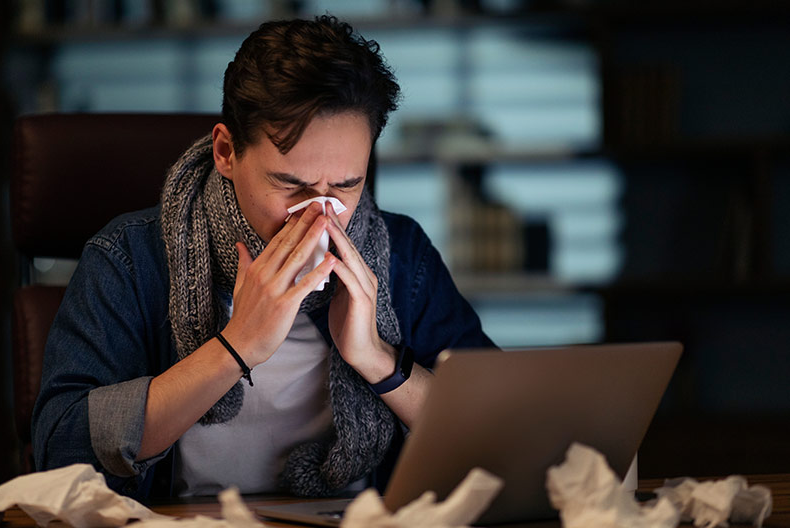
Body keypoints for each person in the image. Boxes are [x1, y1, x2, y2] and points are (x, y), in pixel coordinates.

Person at [32, 15, 494, 500]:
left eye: (346, 184)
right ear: (226, 151)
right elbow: (60, 455)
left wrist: (379, 361)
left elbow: (498, 435)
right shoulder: (129, 257)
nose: (320, 213)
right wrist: (236, 348)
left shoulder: (404, 257)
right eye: (290, 184)